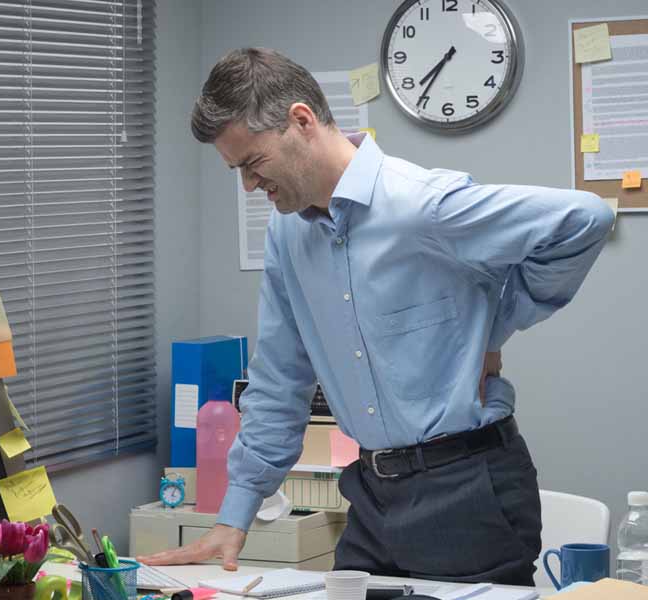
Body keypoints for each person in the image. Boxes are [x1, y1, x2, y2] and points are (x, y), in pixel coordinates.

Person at [138, 48, 613, 585]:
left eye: (252, 163)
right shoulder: (287, 234)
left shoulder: (420, 205)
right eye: (237, 170)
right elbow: (279, 380)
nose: (248, 185)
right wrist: (235, 515)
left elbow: (585, 219)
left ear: (301, 121)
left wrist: (494, 328)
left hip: (468, 489)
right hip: (370, 492)